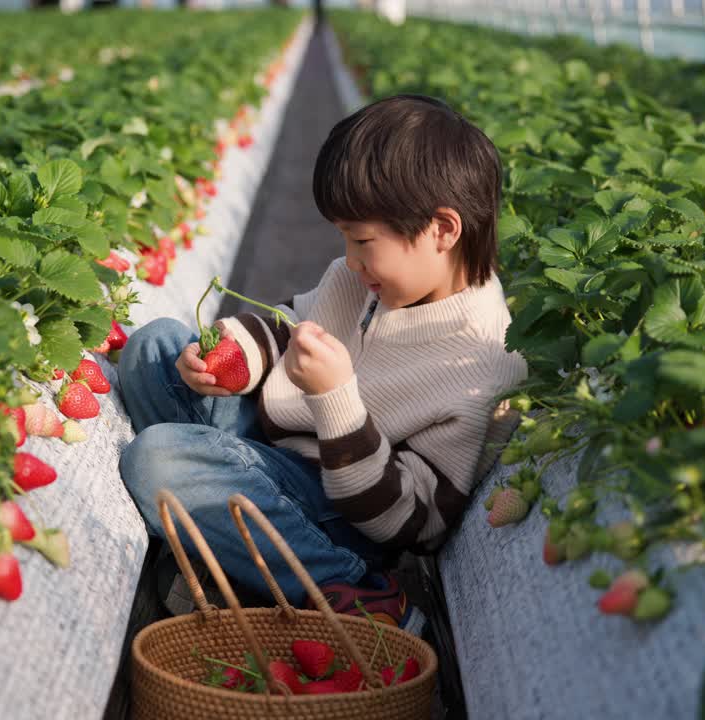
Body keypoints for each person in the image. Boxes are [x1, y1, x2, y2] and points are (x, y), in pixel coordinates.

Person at [118, 94, 528, 634]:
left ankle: (353, 593)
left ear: (442, 230)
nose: (350, 260)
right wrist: (228, 358)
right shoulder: (361, 281)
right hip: (272, 452)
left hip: (340, 517)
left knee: (159, 460)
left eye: (362, 240)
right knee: (156, 346)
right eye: (344, 238)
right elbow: (287, 327)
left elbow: (411, 523)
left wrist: (337, 401)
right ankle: (226, 548)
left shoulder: (481, 364)